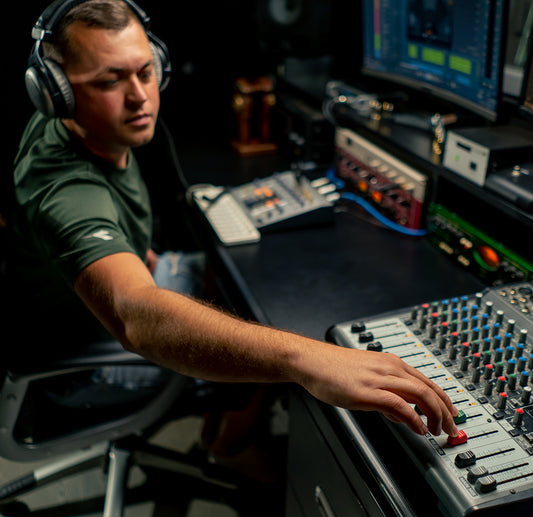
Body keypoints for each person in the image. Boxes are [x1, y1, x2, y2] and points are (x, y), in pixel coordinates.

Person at [8, 0, 459, 445]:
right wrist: (304, 359)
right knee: (272, 338)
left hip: (81, 316)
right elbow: (134, 316)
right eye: (110, 81)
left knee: (239, 296)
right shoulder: (65, 187)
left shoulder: (91, 131)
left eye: (145, 72)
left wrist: (127, 253)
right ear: (55, 91)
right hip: (82, 368)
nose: (139, 96)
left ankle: (223, 427)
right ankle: (232, 450)